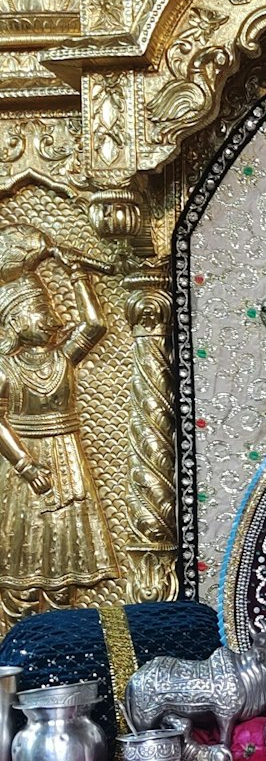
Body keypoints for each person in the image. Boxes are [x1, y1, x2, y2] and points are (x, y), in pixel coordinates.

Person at [0, 225, 115, 615]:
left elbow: (95, 326)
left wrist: (79, 275)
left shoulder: (61, 358)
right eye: (40, 312)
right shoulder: (5, 369)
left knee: (65, 556)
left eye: (49, 311)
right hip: (25, 464)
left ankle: (65, 630)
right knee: (22, 560)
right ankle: (18, 639)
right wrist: (24, 464)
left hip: (66, 456)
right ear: (15, 323)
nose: (50, 318)